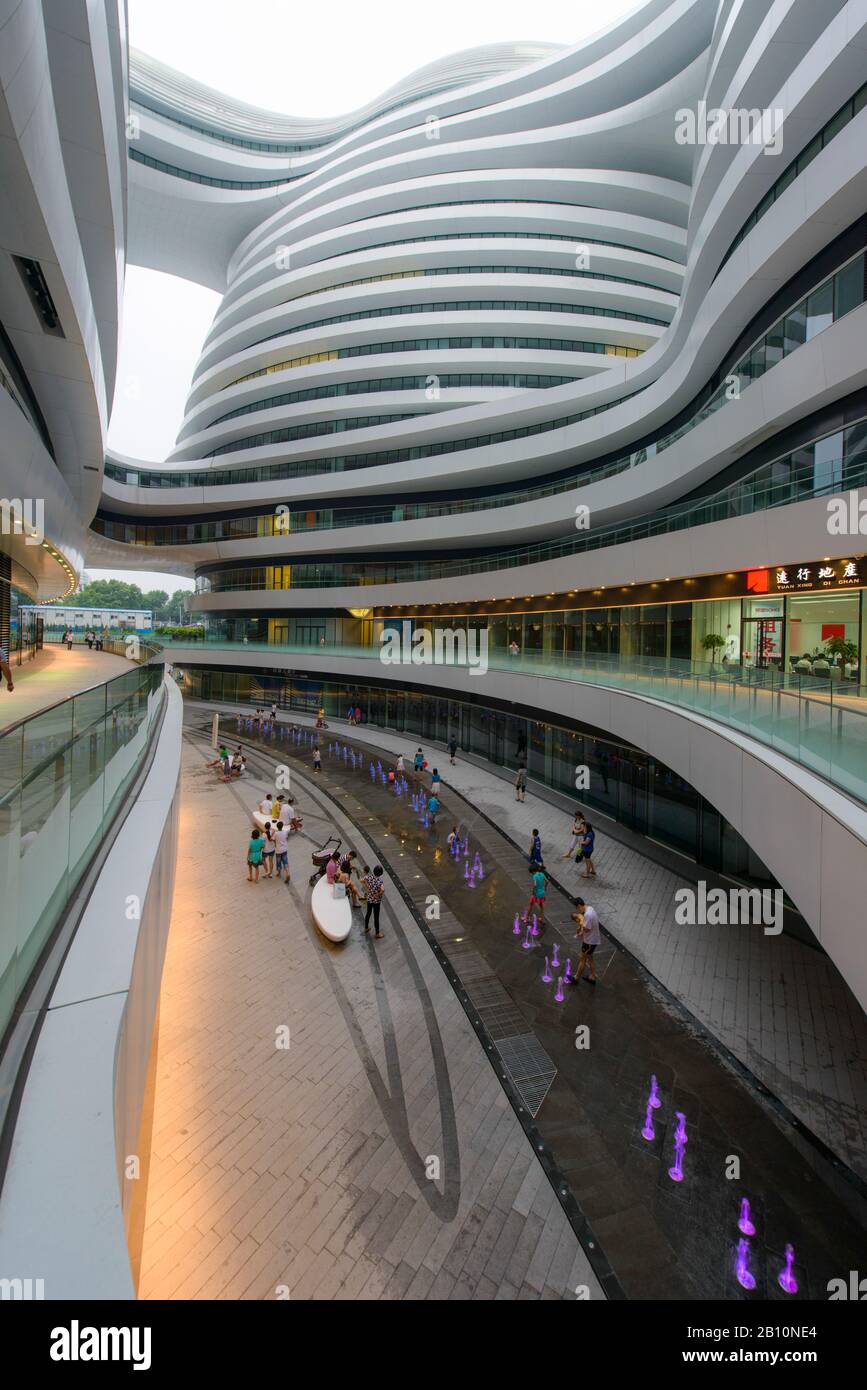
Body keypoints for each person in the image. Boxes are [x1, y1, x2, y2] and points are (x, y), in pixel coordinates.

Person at [570, 897, 600, 986]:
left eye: (577, 908)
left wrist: (580, 923)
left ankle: (576, 978)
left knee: (583, 959)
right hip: (593, 940)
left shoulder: (587, 914)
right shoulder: (590, 908)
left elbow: (586, 929)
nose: (578, 911)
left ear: (579, 905)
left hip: (589, 942)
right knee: (590, 958)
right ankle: (592, 976)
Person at [362, 864, 385, 938]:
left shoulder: (369, 877)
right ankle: (377, 933)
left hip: (369, 899)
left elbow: (362, 880)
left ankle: (366, 928)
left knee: (368, 913)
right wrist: (378, 895)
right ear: (381, 873)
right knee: (376, 917)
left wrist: (367, 888)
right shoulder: (379, 881)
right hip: (376, 902)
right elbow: (382, 889)